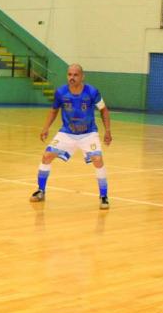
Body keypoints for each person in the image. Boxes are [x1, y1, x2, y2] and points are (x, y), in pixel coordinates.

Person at [30, 64, 112, 210]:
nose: (72, 78)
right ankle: (41, 190)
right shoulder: (61, 92)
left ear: (82, 76)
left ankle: (104, 196)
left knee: (98, 160)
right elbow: (54, 110)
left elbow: (104, 110)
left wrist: (107, 130)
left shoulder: (92, 92)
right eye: (69, 75)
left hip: (88, 134)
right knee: (47, 156)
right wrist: (46, 128)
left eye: (75, 75)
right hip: (67, 133)